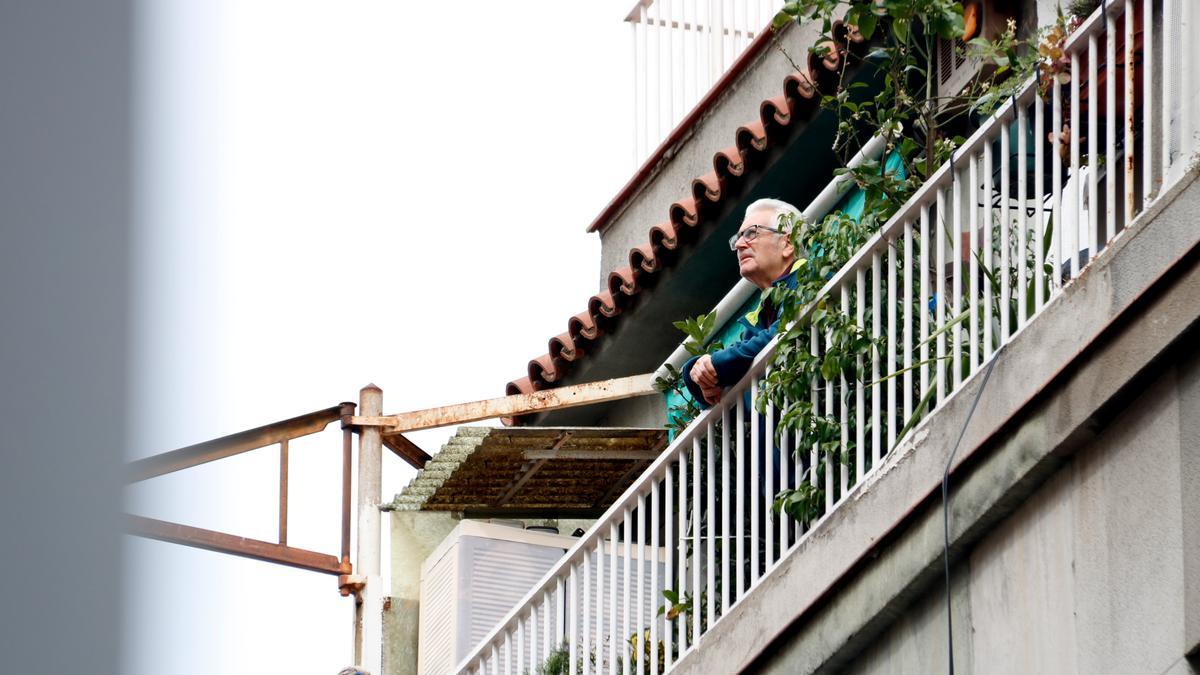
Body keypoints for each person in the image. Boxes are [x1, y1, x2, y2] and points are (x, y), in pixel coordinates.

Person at [682, 198, 803, 407]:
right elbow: (734, 392)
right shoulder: (760, 315)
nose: (739, 244)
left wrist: (717, 365)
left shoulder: (811, 279)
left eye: (751, 233)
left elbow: (784, 331)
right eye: (738, 238)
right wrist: (696, 372)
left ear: (787, 244)